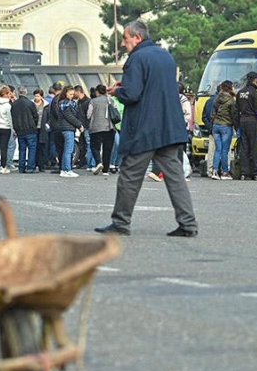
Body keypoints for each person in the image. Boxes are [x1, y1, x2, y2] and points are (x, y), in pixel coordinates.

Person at [96, 20, 198, 237]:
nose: (123, 44)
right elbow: (154, 88)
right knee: (175, 177)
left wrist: (117, 92)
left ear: (137, 37)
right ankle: (188, 224)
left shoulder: (136, 58)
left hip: (144, 130)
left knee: (129, 176)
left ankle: (121, 222)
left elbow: (133, 94)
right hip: (170, 127)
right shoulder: (165, 56)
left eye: (125, 39)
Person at [234, 72, 257, 180]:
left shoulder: (240, 93)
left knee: (244, 147)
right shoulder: (254, 93)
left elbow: (236, 110)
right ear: (254, 80)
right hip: (252, 121)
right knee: (256, 147)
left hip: (242, 122)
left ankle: (244, 173)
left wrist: (237, 124)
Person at [53, 86, 83, 177]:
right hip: (68, 128)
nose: (72, 96)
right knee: (69, 150)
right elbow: (70, 116)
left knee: (66, 150)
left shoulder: (61, 103)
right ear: (65, 93)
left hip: (63, 128)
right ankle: (68, 170)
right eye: (70, 94)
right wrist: (79, 125)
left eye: (73, 94)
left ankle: (63, 169)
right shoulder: (67, 103)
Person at [88, 84, 117, 176]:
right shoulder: (111, 100)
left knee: (94, 147)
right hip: (110, 128)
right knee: (107, 149)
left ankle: (98, 162)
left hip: (96, 128)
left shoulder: (93, 101)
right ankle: (105, 170)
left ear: (97, 92)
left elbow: (88, 115)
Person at [210, 80, 237, 180]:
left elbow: (213, 113)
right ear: (230, 87)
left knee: (218, 149)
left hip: (216, 125)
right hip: (226, 126)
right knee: (225, 150)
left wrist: (212, 125)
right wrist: (235, 126)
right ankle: (225, 172)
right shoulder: (231, 100)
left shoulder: (217, 98)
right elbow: (233, 115)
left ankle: (214, 171)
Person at [10, 85, 39, 173]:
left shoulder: (14, 104)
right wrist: (34, 125)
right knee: (32, 148)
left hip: (19, 129)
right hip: (30, 129)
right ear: (26, 93)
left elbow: (13, 117)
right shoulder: (30, 103)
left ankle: (21, 167)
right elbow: (35, 116)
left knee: (22, 148)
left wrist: (15, 128)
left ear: (19, 93)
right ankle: (30, 167)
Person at [74, 85, 95, 171]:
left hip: (86, 126)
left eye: (74, 92)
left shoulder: (87, 102)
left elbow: (89, 116)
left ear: (78, 92)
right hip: (81, 127)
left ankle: (89, 163)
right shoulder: (79, 102)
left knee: (88, 144)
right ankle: (82, 162)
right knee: (81, 145)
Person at [201, 88, 218, 176]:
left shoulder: (208, 101)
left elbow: (203, 117)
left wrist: (209, 126)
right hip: (224, 127)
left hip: (212, 129)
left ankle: (210, 170)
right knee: (225, 150)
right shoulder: (226, 100)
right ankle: (223, 170)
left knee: (211, 150)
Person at [33, 89, 48, 172]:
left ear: (41, 96)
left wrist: (47, 124)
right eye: (35, 96)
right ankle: (34, 164)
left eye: (38, 96)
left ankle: (41, 165)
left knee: (42, 147)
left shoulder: (46, 105)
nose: (36, 97)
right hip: (34, 128)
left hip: (42, 128)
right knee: (34, 147)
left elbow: (49, 116)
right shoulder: (31, 104)